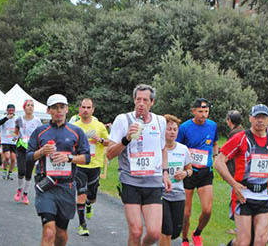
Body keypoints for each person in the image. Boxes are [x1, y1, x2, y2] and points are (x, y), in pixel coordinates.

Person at [107, 84, 172, 246]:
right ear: (134, 100)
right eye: (138, 99)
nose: (141, 103)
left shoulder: (160, 121)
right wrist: (126, 138)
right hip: (130, 181)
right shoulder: (123, 120)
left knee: (154, 233)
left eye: (145, 100)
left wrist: (165, 173)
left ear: (152, 102)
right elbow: (109, 153)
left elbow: (163, 149)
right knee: (136, 231)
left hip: (153, 181)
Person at [214, 104, 268, 246]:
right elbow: (219, 161)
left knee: (261, 240)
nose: (260, 120)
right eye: (256, 117)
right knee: (243, 242)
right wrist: (234, 184)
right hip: (244, 195)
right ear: (250, 119)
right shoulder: (241, 138)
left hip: (264, 195)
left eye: (263, 117)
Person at [27, 94, 90, 246]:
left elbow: (86, 158)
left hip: (66, 187)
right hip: (46, 185)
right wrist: (41, 152)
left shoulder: (76, 132)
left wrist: (68, 158)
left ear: (67, 109)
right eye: (55, 108)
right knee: (49, 231)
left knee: (61, 235)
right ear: (48, 111)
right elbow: (28, 156)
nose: (59, 111)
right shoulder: (40, 131)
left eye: (62, 107)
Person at [177, 98, 218, 246]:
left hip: (205, 172)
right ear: (193, 111)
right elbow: (178, 148)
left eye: (206, 112)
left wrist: (216, 156)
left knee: (207, 210)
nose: (203, 115)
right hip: (189, 171)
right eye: (200, 111)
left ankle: (197, 233)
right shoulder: (184, 127)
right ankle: (185, 239)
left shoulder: (213, 126)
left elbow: (214, 144)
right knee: (186, 212)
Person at [73, 98, 109, 236]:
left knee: (91, 196)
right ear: (79, 109)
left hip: (95, 165)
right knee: (81, 193)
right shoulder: (75, 126)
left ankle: (89, 203)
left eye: (89, 107)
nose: (86, 110)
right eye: (83, 107)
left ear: (93, 110)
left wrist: (99, 140)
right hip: (80, 165)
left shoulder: (99, 126)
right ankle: (82, 225)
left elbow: (109, 142)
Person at [159, 114, 192, 246]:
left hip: (178, 193)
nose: (172, 132)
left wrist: (184, 173)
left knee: (175, 232)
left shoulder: (183, 149)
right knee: (166, 229)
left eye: (175, 129)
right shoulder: (158, 149)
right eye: (169, 129)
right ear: (163, 131)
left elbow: (190, 169)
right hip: (161, 194)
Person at [13, 99, 42, 205]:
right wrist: (15, 137)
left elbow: (40, 134)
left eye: (32, 105)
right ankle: (19, 189)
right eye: (28, 105)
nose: (30, 107)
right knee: (21, 170)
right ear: (24, 108)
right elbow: (16, 131)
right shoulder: (19, 119)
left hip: (32, 148)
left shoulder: (37, 121)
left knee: (29, 172)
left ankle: (25, 194)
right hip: (21, 146)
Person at [224, 110, 244, 236]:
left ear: (229, 121)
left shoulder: (234, 134)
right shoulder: (244, 132)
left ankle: (239, 229)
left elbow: (230, 152)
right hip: (242, 171)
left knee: (237, 200)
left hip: (236, 173)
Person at [0, 104, 18, 180]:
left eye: (12, 111)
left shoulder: (17, 118)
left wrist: (17, 137)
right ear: (7, 110)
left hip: (13, 141)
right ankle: (4, 170)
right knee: (7, 156)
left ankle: (10, 173)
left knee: (13, 158)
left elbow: (20, 129)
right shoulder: (3, 118)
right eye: (9, 111)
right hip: (5, 140)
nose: (11, 112)